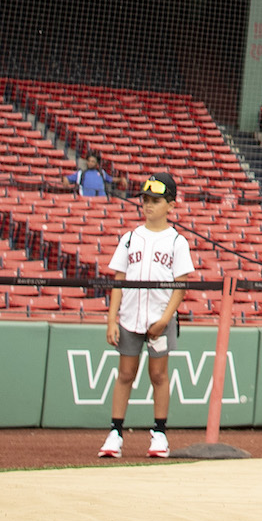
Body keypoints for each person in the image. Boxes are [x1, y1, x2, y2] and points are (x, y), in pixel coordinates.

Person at [101, 175, 193, 460]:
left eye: (156, 201)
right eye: (146, 200)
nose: (149, 205)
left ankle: (160, 433)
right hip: (130, 317)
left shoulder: (177, 241)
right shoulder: (130, 238)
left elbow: (181, 284)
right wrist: (111, 319)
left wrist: (165, 319)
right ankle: (116, 432)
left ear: (171, 206)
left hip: (159, 320)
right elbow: (119, 279)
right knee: (125, 374)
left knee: (159, 376)